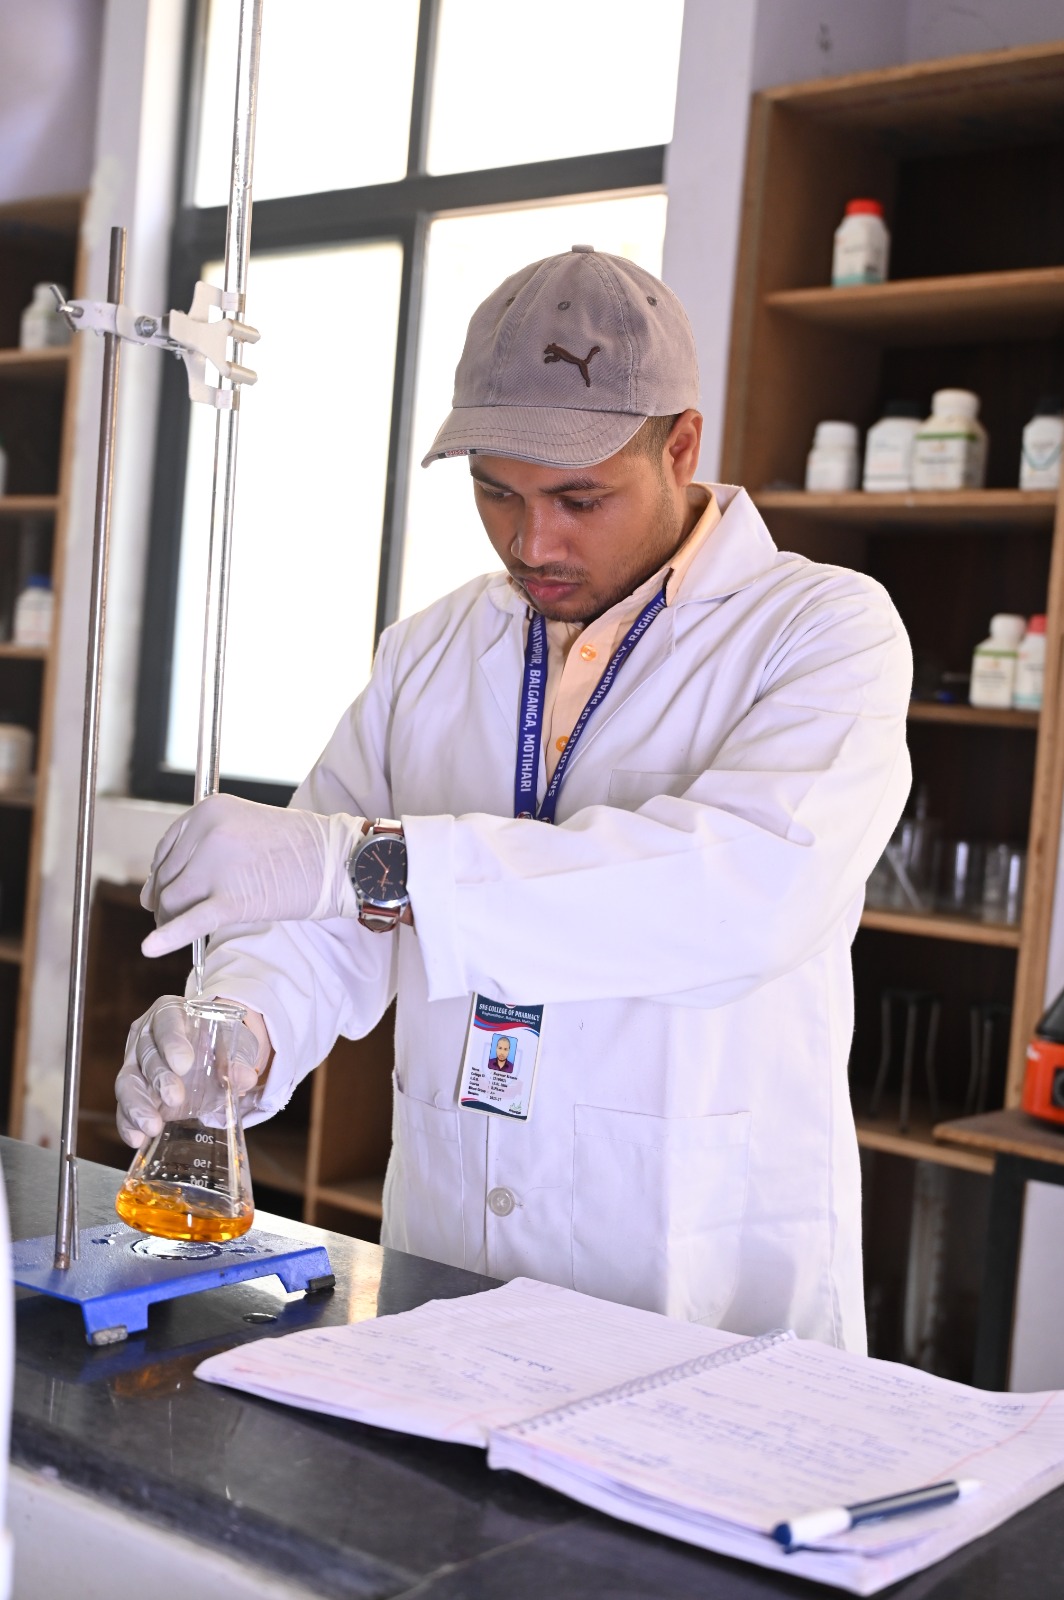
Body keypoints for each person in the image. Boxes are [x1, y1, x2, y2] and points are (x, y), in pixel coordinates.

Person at [117, 245, 912, 1352]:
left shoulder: (820, 631)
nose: (532, 543)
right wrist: (244, 1026)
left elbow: (741, 897)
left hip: (695, 1295)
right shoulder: (431, 649)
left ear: (681, 446)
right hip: (447, 1275)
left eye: (580, 497)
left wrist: (357, 861)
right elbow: (321, 925)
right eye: (495, 491)